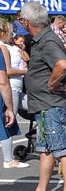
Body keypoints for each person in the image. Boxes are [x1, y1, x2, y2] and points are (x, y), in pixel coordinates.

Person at [20, 1, 66, 191]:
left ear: (26, 21)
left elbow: (62, 64)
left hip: (50, 105)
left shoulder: (48, 41)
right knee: (45, 150)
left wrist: (52, 83)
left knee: (61, 149)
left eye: (20, 20)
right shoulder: (40, 40)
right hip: (43, 105)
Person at [0, 19, 25, 170]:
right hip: (11, 87)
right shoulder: (2, 47)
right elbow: (4, 78)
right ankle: (8, 159)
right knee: (7, 123)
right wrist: (9, 107)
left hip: (15, 86)